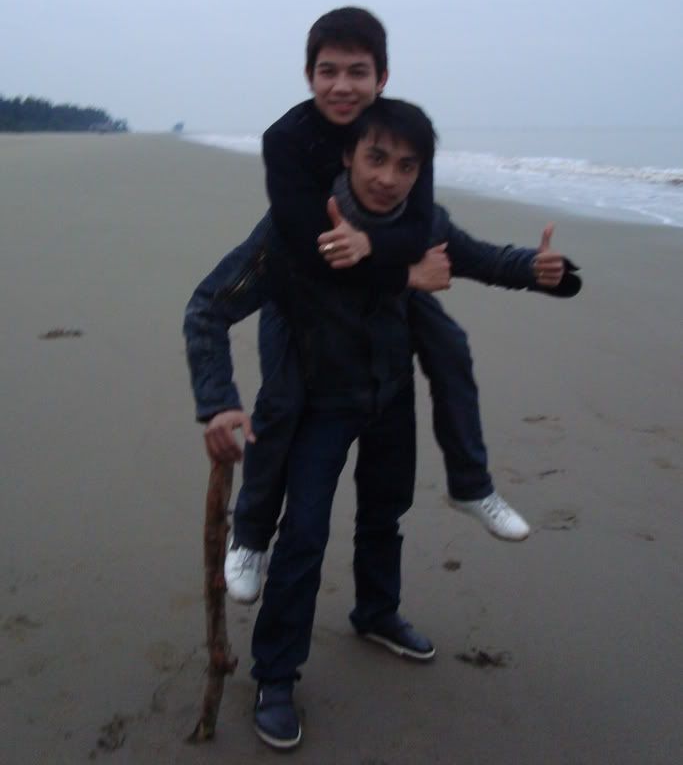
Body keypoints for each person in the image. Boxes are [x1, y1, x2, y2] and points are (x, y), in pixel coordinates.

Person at [184, 99, 580, 749]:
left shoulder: (422, 222)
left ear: (420, 172)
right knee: (304, 536)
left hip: (389, 395)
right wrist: (218, 398)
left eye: (405, 165)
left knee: (384, 512)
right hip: (319, 405)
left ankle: (375, 612)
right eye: (375, 158)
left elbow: (477, 258)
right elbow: (208, 307)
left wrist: (539, 273)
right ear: (348, 155)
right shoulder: (293, 227)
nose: (388, 178)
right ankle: (275, 676)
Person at [186, 7, 573, 605]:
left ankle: (469, 487)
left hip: (380, 349)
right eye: (328, 71)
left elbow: (437, 235)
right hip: (303, 291)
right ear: (310, 77)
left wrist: (541, 272)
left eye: (358, 72)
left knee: (448, 346)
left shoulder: (402, 137)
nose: (343, 86)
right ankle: (253, 535)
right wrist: (404, 274)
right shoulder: (288, 141)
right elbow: (296, 252)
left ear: (382, 78)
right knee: (280, 406)